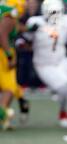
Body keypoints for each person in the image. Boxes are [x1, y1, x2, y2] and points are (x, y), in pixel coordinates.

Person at [26, 0, 67, 128]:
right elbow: (24, 41)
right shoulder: (35, 22)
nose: (55, 15)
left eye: (57, 12)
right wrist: (29, 32)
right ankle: (64, 113)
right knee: (63, 88)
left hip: (62, 61)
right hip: (44, 64)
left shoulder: (66, 21)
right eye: (52, 12)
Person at [0, 1, 19, 130]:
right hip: (2, 53)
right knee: (9, 88)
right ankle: (3, 114)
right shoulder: (8, 11)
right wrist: (9, 55)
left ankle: (4, 118)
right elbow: (2, 33)